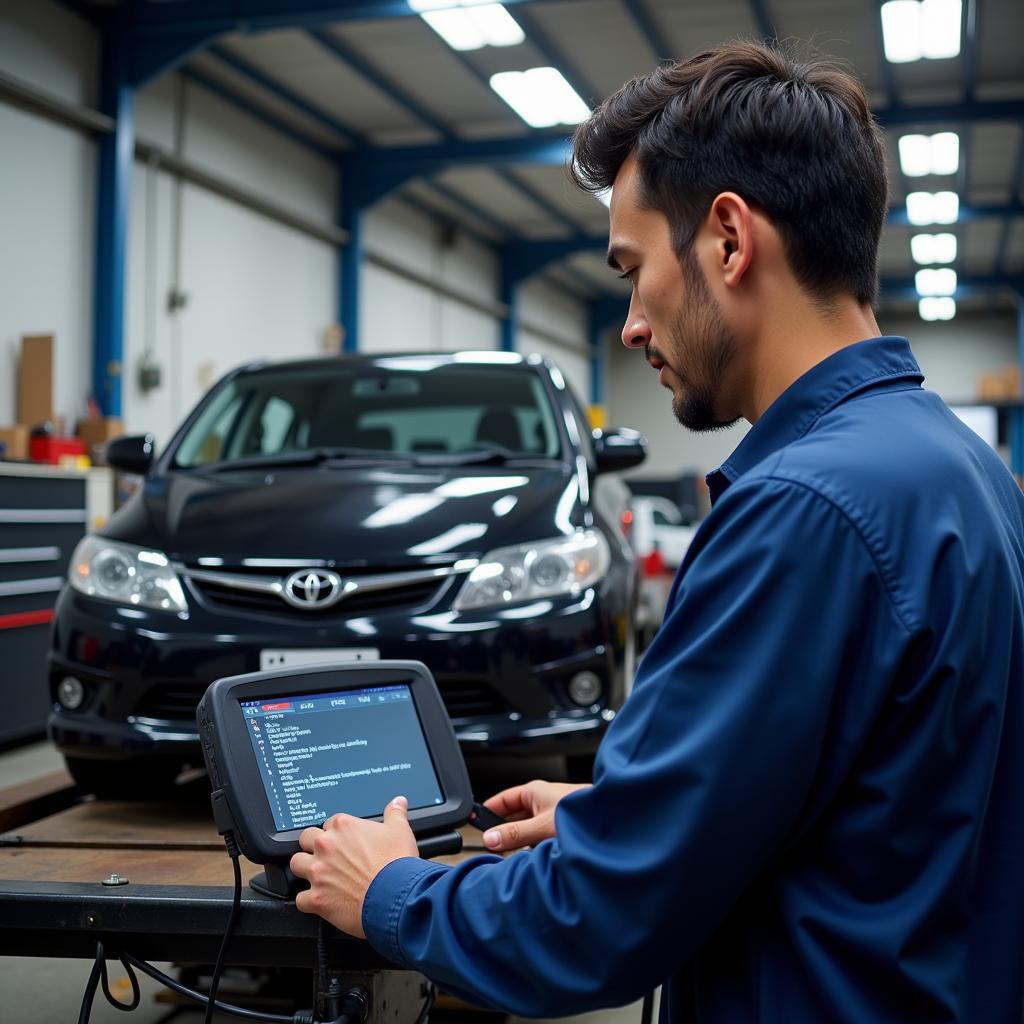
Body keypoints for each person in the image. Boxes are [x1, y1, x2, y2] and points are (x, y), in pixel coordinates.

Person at [288, 40, 1024, 1022]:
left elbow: (594, 922)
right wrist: (615, 819)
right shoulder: (961, 467)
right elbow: (875, 797)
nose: (632, 324)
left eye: (634, 271)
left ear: (727, 239)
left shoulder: (803, 512)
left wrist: (388, 890)